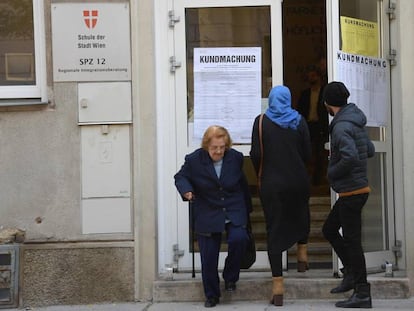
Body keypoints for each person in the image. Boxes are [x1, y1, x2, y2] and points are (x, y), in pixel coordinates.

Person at [174, 125, 252, 308]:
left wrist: (247, 209)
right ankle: (212, 294)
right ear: (206, 145)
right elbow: (180, 177)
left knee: (239, 239)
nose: (218, 151)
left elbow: (241, 183)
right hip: (208, 208)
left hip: (232, 206)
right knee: (208, 256)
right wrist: (187, 191)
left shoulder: (236, 158)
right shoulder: (194, 160)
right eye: (214, 148)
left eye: (222, 147)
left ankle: (230, 277)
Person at [250, 85, 311, 306]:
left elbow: (256, 154)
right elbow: (307, 153)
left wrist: (262, 171)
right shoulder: (299, 120)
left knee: (274, 228)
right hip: (298, 181)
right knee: (302, 213)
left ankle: (278, 288)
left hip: (272, 184)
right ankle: (302, 257)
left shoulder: (261, 121)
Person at [321, 81, 375, 308]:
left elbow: (351, 156)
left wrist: (332, 171)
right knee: (329, 229)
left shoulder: (342, 126)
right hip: (354, 189)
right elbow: (369, 150)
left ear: (328, 104)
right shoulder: (355, 120)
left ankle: (362, 292)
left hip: (352, 190)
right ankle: (351, 274)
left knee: (353, 242)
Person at [297, 67, 329, 185]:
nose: (312, 79)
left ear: (319, 77)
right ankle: (307, 178)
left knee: (320, 153)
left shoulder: (325, 93)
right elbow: (300, 110)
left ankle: (318, 179)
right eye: (310, 76)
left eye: (314, 76)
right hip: (308, 126)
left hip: (320, 126)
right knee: (308, 152)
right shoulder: (305, 94)